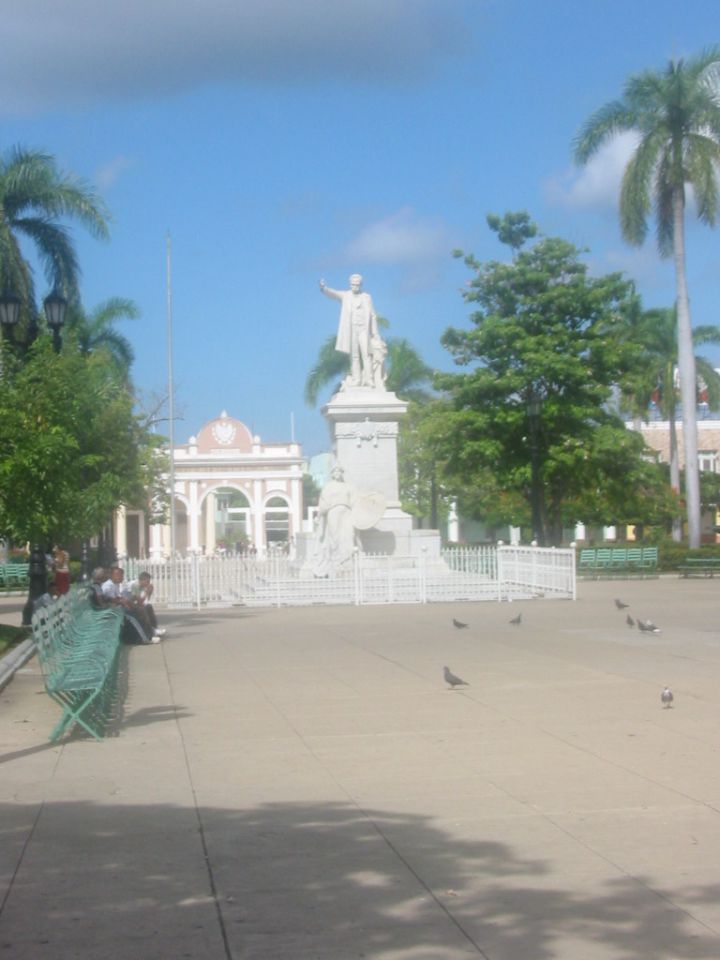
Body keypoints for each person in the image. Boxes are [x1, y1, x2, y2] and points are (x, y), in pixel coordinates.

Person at [319, 274, 379, 388]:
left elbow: (372, 315)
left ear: (361, 285)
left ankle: (369, 379)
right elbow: (333, 293)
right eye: (353, 285)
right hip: (352, 329)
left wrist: (375, 333)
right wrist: (324, 288)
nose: (355, 287)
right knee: (354, 356)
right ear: (350, 284)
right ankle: (357, 379)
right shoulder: (345, 296)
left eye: (357, 285)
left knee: (366, 354)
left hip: (364, 329)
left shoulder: (366, 297)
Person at [314, 465, 357, 577]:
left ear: (342, 473)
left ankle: (347, 562)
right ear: (332, 474)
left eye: (339, 471)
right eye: (335, 471)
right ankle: (336, 562)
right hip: (333, 512)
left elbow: (354, 501)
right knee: (335, 537)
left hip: (347, 512)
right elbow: (323, 503)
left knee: (348, 536)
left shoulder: (348, 487)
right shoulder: (328, 486)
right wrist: (318, 516)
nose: (337, 473)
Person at [101, 566, 161, 644]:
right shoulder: (108, 586)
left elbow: (120, 598)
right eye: (118, 575)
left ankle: (151, 632)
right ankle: (146, 638)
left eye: (122, 575)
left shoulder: (115, 584)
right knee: (135, 616)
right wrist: (125, 603)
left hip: (120, 608)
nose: (121, 577)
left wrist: (126, 602)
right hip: (114, 612)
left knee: (143, 609)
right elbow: (111, 600)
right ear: (112, 576)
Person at [125, 571, 166, 638]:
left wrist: (149, 593)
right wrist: (147, 592)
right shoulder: (135, 585)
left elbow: (145, 601)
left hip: (132, 603)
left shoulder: (141, 585)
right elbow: (140, 602)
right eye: (147, 581)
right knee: (142, 609)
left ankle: (155, 629)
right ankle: (150, 632)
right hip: (126, 606)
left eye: (149, 581)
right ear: (141, 580)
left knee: (149, 606)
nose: (148, 583)